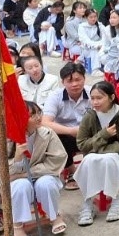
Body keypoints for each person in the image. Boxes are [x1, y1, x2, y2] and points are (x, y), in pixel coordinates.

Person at [0, 101, 68, 236]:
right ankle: (17, 226)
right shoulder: (6, 139)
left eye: (39, 112)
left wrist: (25, 174)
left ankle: (54, 216)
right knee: (20, 186)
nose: (38, 117)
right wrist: (16, 159)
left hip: (42, 175)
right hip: (15, 181)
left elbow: (57, 159)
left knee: (46, 183)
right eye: (32, 115)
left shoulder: (47, 133)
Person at [74, 81, 119, 225]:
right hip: (96, 157)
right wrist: (104, 135)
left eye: (100, 98)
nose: (95, 102)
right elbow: (82, 144)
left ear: (111, 97)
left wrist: (101, 151)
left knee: (108, 159)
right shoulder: (90, 116)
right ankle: (87, 203)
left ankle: (117, 201)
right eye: (93, 98)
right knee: (88, 160)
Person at [42, 62, 92, 191]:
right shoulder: (55, 96)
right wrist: (70, 131)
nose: (74, 84)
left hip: (89, 135)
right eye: (69, 81)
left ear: (84, 79)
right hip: (67, 136)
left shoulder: (93, 93)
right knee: (55, 138)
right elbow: (45, 122)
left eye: (78, 79)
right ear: (63, 82)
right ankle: (72, 172)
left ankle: (91, 170)